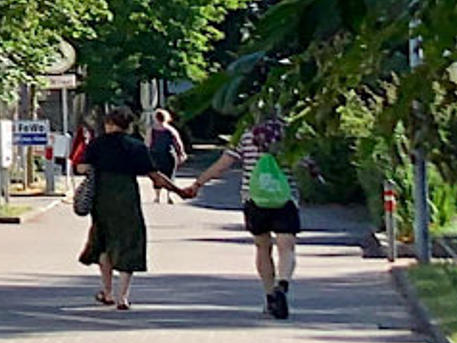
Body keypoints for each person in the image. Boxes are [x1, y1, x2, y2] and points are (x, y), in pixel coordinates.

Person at [186, 117, 303, 317]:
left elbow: (224, 164)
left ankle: (269, 297)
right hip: (285, 198)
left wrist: (198, 183)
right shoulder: (290, 135)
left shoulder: (246, 135)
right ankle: (282, 285)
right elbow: (305, 161)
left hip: (254, 198)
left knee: (262, 246)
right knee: (287, 245)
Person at [73, 101, 170, 310]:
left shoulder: (97, 144)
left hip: (102, 195)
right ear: (128, 126)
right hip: (126, 194)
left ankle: (107, 291)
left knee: (104, 241)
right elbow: (155, 176)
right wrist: (181, 190)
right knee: (129, 241)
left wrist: (90, 170)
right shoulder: (136, 146)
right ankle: (122, 296)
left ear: (108, 123)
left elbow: (81, 166)